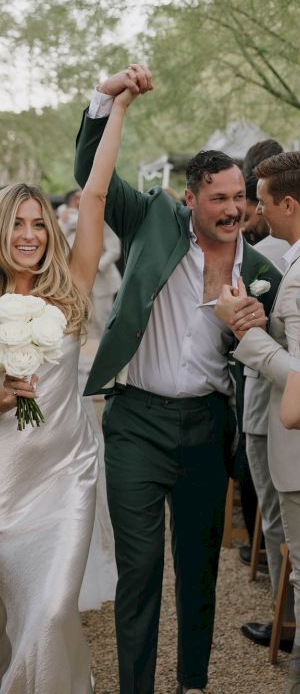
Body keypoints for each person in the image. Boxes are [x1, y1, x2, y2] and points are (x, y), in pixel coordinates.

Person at [75, 80, 281, 694]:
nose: (230, 210)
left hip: (206, 429)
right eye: (217, 198)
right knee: (140, 572)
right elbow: (93, 177)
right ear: (190, 198)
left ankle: (193, 683)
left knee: (198, 572)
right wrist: (108, 103)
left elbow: (267, 360)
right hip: (136, 422)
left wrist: (253, 330)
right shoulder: (153, 221)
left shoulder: (262, 272)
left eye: (239, 198)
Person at [0, 69, 149, 694]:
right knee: (17, 614)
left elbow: (93, 196)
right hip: (5, 475)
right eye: (19, 224)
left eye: (39, 224)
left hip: (67, 471)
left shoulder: (71, 292)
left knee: (57, 604)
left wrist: (117, 106)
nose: (32, 235)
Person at [214, 152, 300, 694]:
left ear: (287, 203)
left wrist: (246, 336)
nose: (256, 215)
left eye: (263, 204)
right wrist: (266, 321)